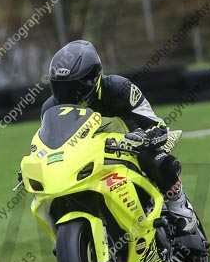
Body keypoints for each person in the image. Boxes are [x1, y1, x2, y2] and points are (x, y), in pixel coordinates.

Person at [42, 40, 198, 233]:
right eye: (61, 88)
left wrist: (143, 138)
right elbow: (50, 144)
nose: (69, 95)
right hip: (87, 154)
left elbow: (157, 125)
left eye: (75, 88)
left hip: (129, 143)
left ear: (94, 78)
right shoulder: (50, 109)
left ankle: (179, 204)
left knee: (157, 160)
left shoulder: (119, 88)